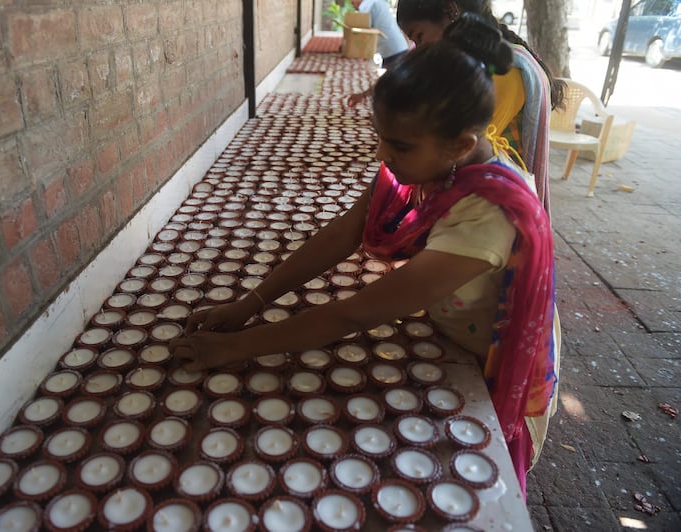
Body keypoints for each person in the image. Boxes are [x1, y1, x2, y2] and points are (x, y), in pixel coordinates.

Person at [171, 14, 558, 497]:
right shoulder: (434, 167)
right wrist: (250, 303)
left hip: (488, 353)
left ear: (459, 145)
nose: (382, 153)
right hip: (451, 328)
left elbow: (357, 311)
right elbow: (344, 232)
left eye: (398, 144)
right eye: (379, 135)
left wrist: (235, 348)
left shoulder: (488, 218)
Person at [396, 0, 565, 216]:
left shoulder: (505, 73)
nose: (419, 49)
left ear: (451, 10)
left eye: (419, 37)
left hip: (493, 205)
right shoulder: (464, 63)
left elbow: (456, 150)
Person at [345, 0, 411, 106]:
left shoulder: (367, 5)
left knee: (391, 88)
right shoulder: (376, 2)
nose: (353, 5)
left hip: (393, 51)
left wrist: (362, 95)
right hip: (396, 48)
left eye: (353, 2)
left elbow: (363, 33)